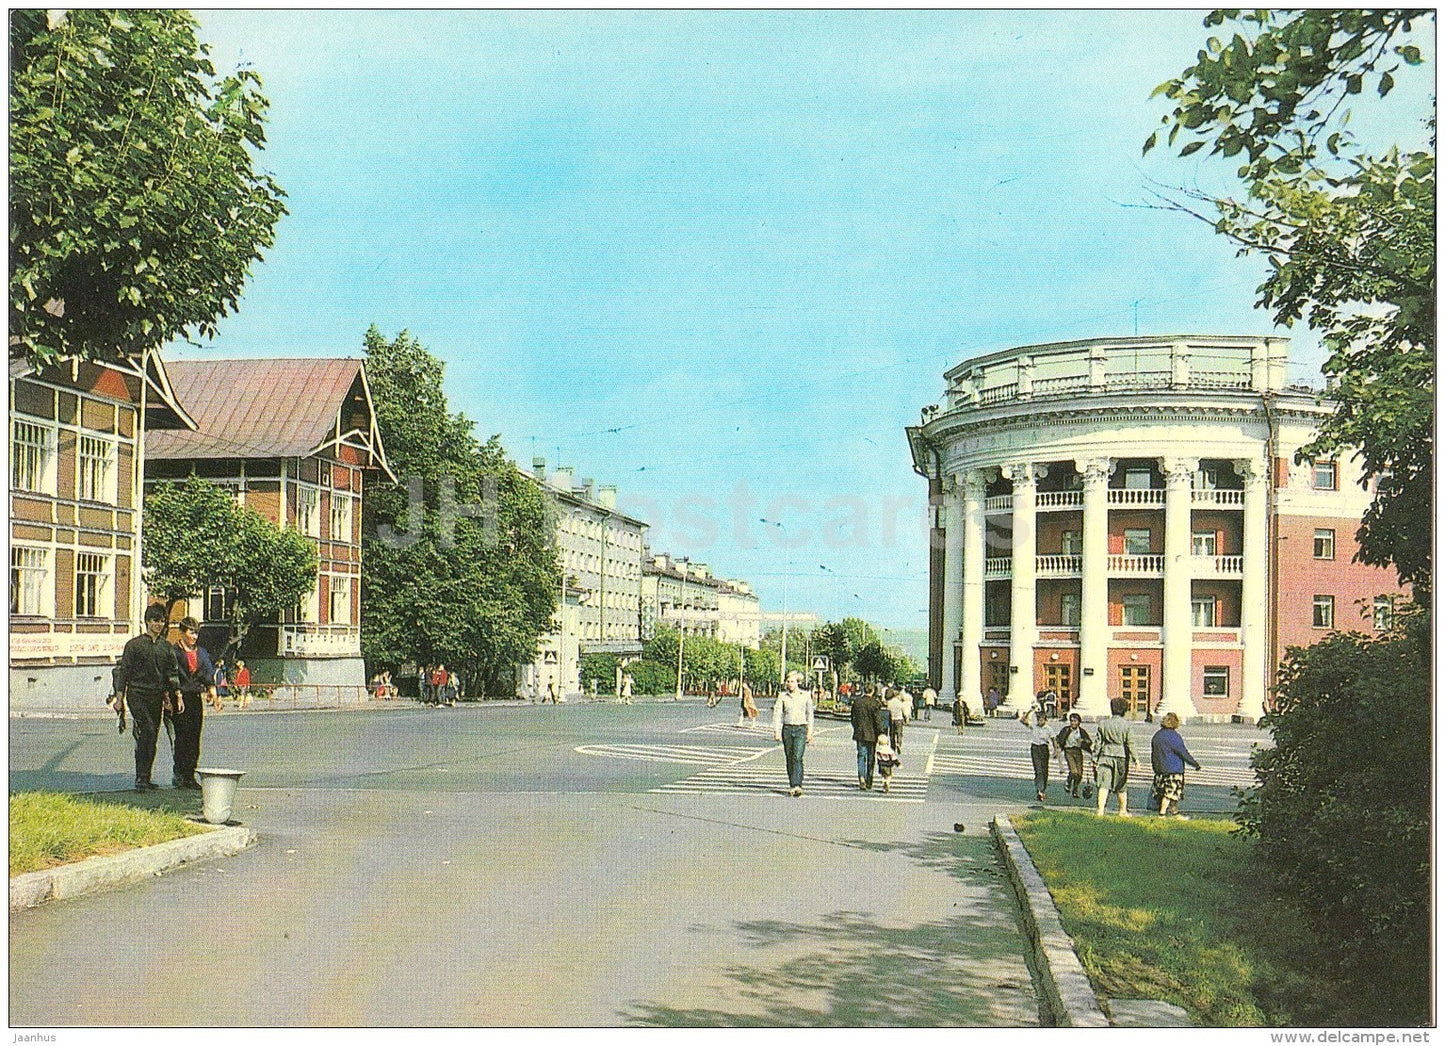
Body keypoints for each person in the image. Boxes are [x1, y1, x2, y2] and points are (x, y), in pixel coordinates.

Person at [112, 603, 181, 791]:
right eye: (155, 620)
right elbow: (124, 672)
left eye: (162, 621)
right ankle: (140, 777)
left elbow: (169, 674)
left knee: (153, 736)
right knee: (147, 731)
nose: (159, 624)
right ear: (147, 622)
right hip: (137, 694)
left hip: (156, 696)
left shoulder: (165, 647)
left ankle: (146, 777)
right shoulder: (134, 645)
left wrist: (170, 698)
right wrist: (119, 698)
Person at [171, 617, 222, 790]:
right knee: (182, 737)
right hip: (179, 697)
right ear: (182, 632)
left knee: (194, 737)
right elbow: (170, 675)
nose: (194, 636)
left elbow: (208, 674)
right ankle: (179, 774)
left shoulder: (201, 652)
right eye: (191, 632)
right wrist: (173, 695)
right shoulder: (174, 652)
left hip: (194, 698)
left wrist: (214, 695)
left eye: (196, 632)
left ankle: (190, 774)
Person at [1094, 697, 1140, 816]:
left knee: (1104, 784)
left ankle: (1100, 810)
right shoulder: (1126, 725)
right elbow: (1130, 743)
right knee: (1121, 785)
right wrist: (1136, 759)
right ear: (1124, 710)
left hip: (1105, 755)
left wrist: (1094, 759)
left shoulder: (1103, 724)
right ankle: (1122, 810)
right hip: (1121, 756)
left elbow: (1098, 743)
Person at [1150, 712, 1202, 818]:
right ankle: (1162, 814)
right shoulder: (1174, 737)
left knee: (1167, 793)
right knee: (1170, 793)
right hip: (1173, 770)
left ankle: (1175, 813)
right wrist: (1195, 764)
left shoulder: (1157, 735)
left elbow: (1153, 754)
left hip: (1160, 769)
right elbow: (1183, 752)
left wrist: (1155, 767)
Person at [772, 671, 815, 797]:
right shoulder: (782, 696)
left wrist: (810, 731)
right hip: (787, 729)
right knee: (789, 757)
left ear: (797, 682)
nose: (790, 684)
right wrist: (776, 730)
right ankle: (792, 784)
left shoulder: (805, 695)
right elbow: (777, 713)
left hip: (801, 728)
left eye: (792, 681)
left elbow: (810, 714)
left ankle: (797, 784)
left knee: (797, 756)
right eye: (788, 681)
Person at [850, 684, 883, 790]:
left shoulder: (857, 702)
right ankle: (869, 780)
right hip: (872, 735)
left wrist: (856, 727)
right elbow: (877, 720)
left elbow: (853, 718)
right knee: (870, 758)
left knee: (861, 756)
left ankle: (861, 778)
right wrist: (880, 732)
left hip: (860, 733)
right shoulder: (875, 703)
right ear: (872, 691)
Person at [1021, 708, 1056, 802]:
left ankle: (1043, 789)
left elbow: (1053, 740)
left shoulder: (1049, 729)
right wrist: (1030, 711)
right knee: (1038, 770)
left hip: (1044, 749)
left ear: (1045, 720)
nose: (1039, 722)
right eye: (1038, 720)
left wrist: (1056, 751)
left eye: (1041, 720)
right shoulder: (1034, 726)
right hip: (1035, 748)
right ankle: (1039, 790)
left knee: (1044, 770)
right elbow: (1023, 720)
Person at [1056, 712, 1093, 798]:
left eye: (1075, 721)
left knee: (1079, 774)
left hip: (1078, 751)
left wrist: (1083, 741)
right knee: (1074, 771)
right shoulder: (1066, 730)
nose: (1073, 723)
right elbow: (1059, 738)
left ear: (1079, 722)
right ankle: (1069, 782)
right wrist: (1058, 748)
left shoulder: (1081, 731)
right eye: (1071, 721)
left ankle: (1075, 788)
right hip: (1069, 751)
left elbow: (1089, 741)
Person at [886, 686, 909, 754]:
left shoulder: (889, 702)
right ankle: (898, 743)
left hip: (892, 719)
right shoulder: (900, 703)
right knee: (899, 733)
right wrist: (906, 718)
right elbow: (904, 711)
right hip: (899, 719)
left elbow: (888, 710)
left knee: (892, 733)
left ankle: (893, 746)